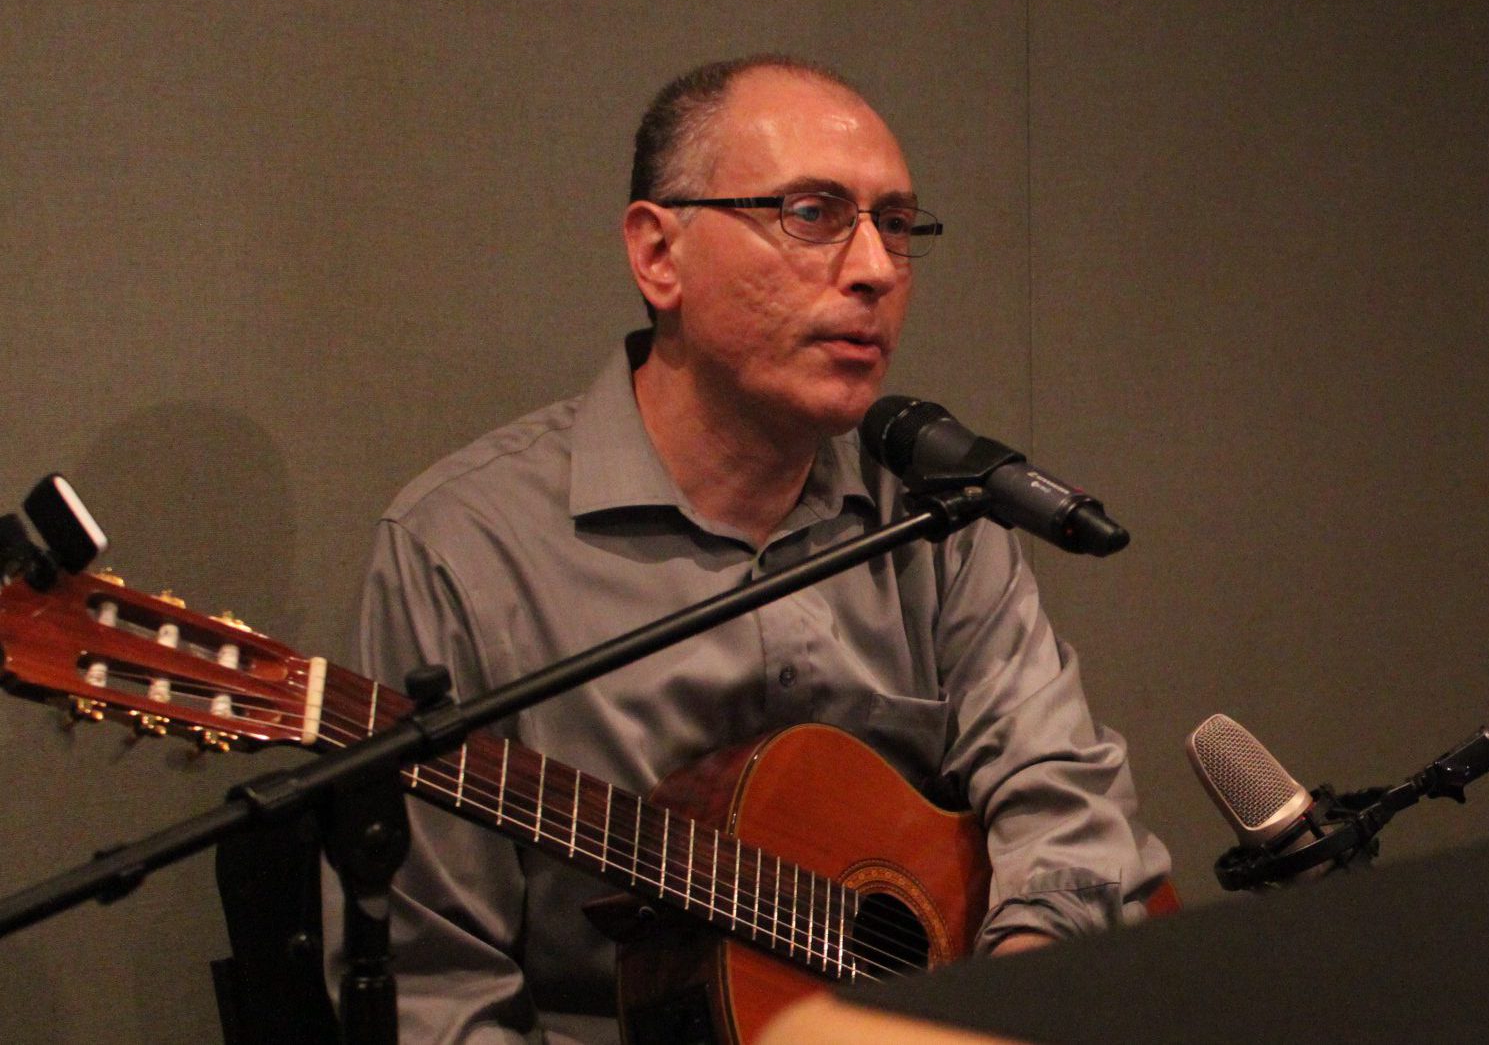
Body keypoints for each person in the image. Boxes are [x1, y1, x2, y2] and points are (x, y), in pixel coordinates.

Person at [353, 54, 1170, 1043]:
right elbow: (437, 996)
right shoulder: (464, 551)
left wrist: (1004, 998)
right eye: (814, 214)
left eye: (897, 226)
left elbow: (1066, 793)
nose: (874, 268)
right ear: (660, 256)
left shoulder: (939, 513)